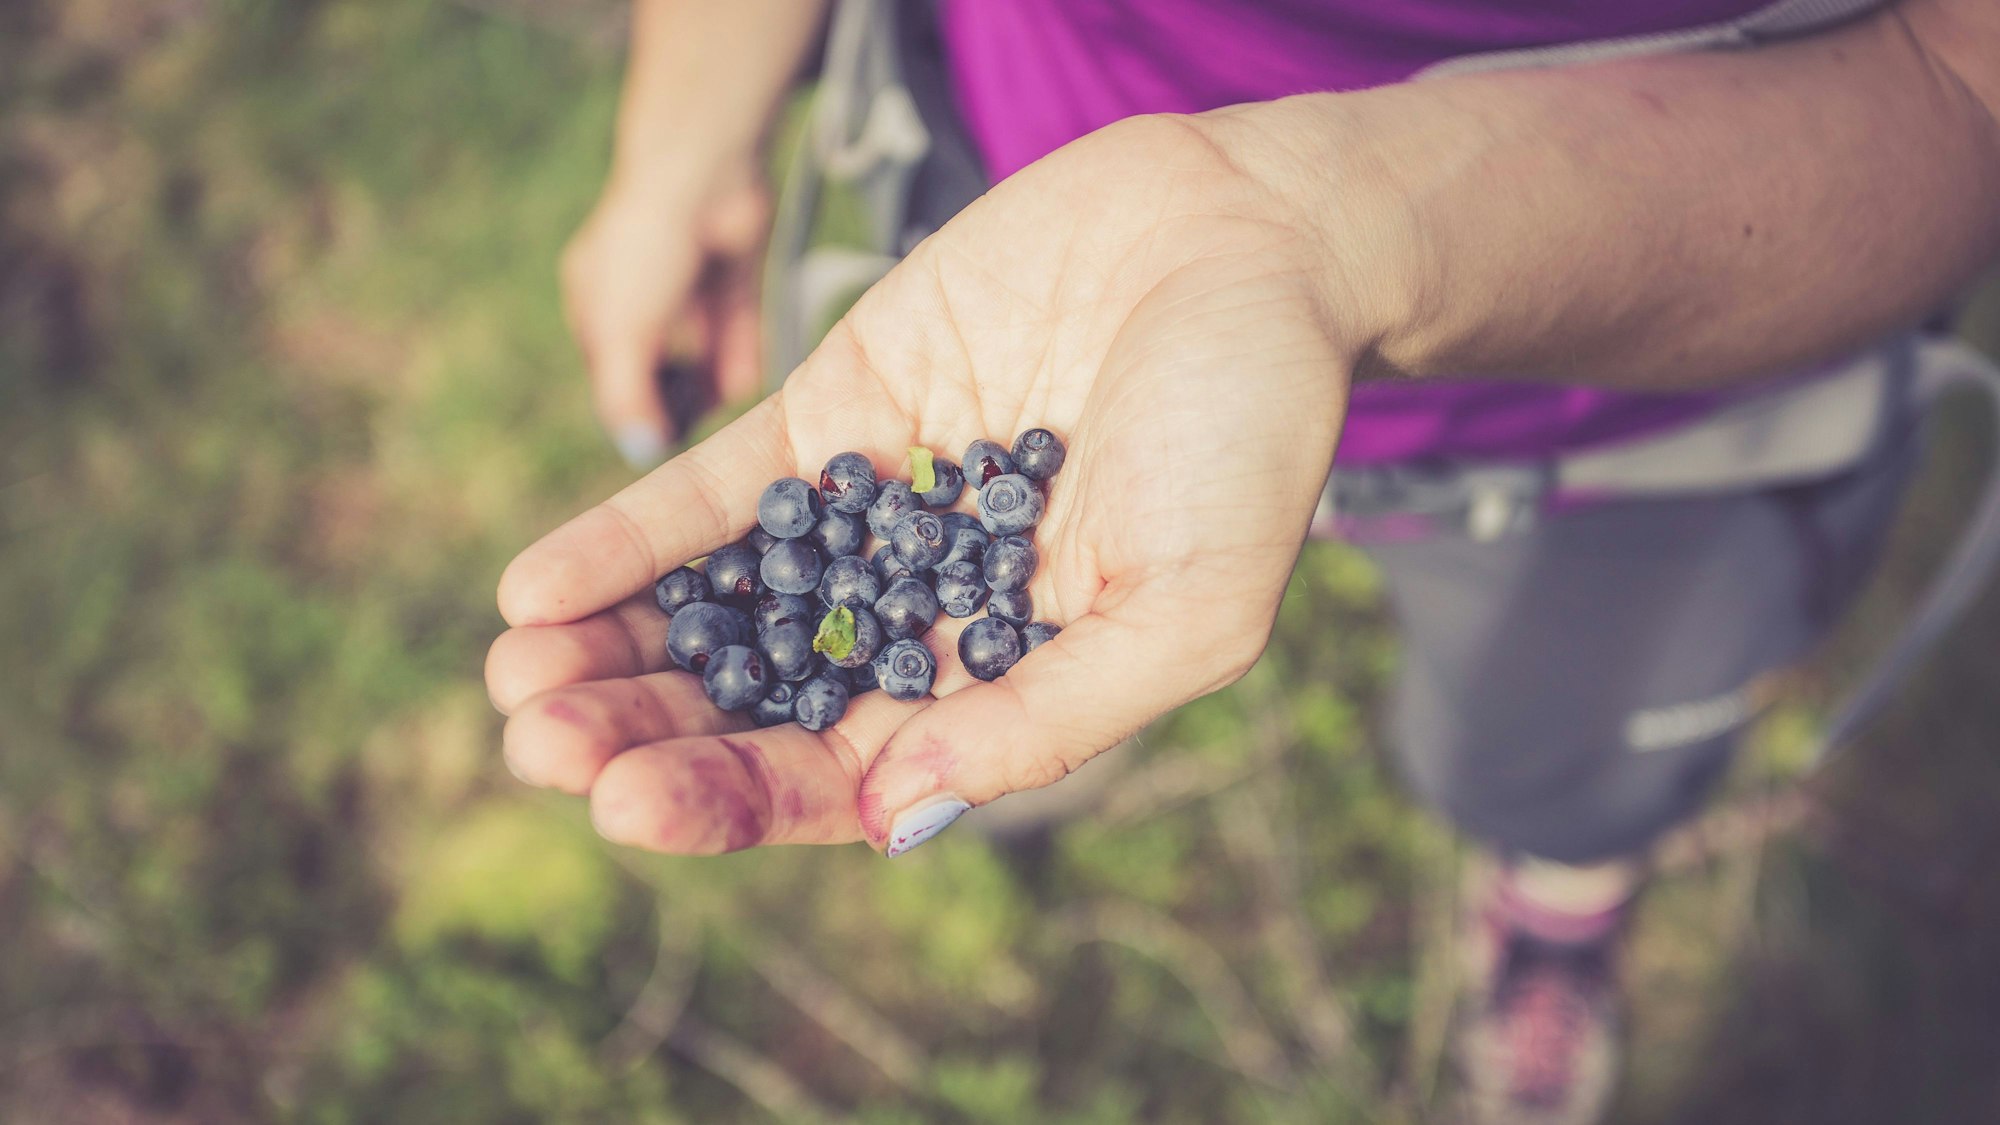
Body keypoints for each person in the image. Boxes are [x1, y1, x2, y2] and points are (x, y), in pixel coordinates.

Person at [488, 0, 2000, 1119]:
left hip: (1653, 389)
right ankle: (997, 768)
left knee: (1558, 759)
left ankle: (1555, 897)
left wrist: (1303, 233)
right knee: (1017, 660)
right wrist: (681, 141)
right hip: (1021, 279)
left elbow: (1966, 74)